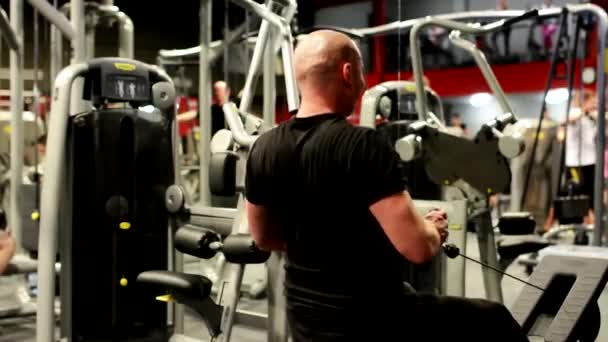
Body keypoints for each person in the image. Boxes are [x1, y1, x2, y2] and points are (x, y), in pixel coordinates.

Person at [245, 30, 528, 341]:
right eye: (362, 71)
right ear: (347, 73)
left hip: (306, 323)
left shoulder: (264, 148)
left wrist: (318, 245)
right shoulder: (362, 144)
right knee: (496, 320)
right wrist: (434, 229)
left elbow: (263, 237)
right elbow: (418, 250)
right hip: (374, 322)